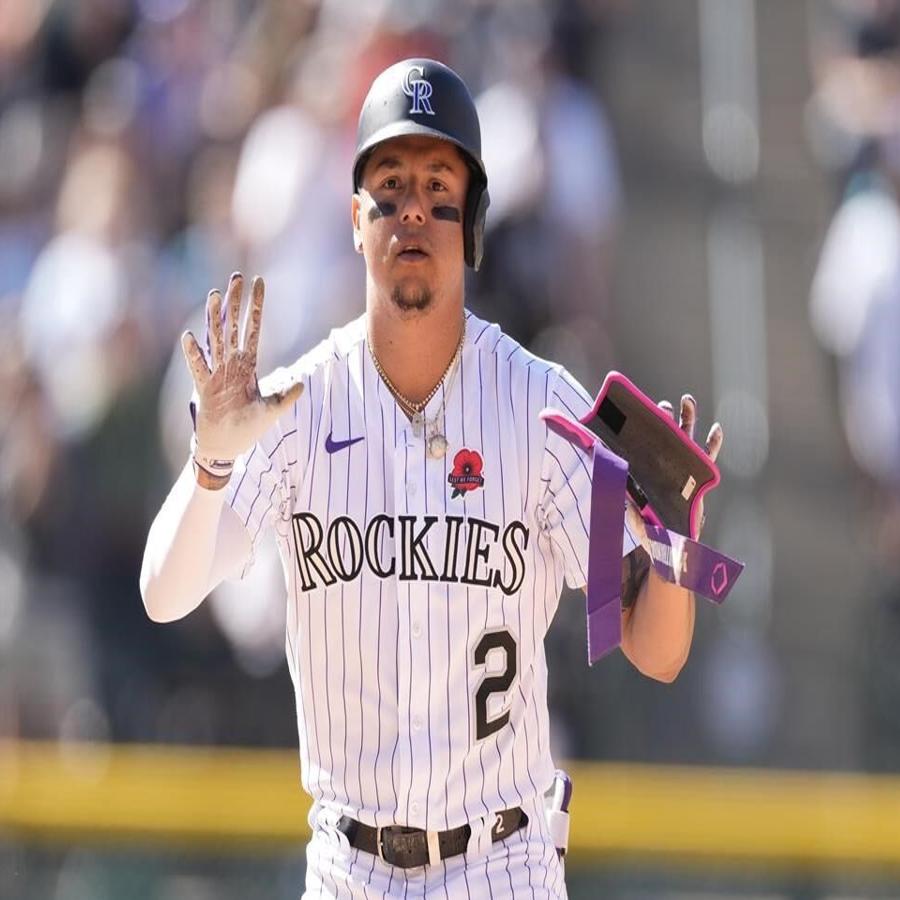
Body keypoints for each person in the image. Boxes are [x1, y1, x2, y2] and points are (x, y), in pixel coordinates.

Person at [140, 58, 724, 899]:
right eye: (389, 181)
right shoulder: (297, 408)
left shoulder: (542, 406)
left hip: (504, 861)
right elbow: (165, 593)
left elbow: (654, 651)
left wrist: (671, 553)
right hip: (349, 867)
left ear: (472, 219)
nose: (412, 207)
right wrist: (209, 465)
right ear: (354, 218)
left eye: (437, 182)